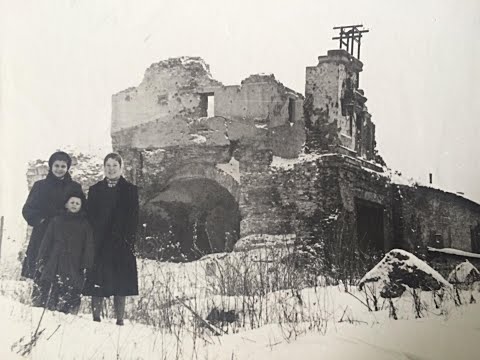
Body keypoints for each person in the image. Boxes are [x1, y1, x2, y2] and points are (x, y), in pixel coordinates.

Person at [83, 153, 139, 325]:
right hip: (99, 244)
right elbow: (89, 217)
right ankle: (96, 319)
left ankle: (120, 320)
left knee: (120, 282)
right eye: (108, 165)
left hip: (121, 244)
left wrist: (129, 241)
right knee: (97, 282)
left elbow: (134, 218)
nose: (111, 169)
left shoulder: (130, 190)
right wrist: (92, 241)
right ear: (104, 167)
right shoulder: (95, 190)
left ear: (120, 167)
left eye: (115, 165)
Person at [22, 151, 83, 291]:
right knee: (41, 273)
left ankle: (59, 309)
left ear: (68, 167)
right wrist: (41, 221)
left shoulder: (74, 187)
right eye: (56, 165)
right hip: (43, 235)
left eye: (63, 166)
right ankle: (38, 306)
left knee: (62, 275)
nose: (59, 169)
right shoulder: (40, 186)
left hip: (66, 236)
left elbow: (81, 210)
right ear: (51, 166)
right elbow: (28, 209)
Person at [34, 191, 94, 314]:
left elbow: (88, 246)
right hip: (55, 261)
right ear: (66, 204)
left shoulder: (85, 224)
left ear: (81, 206)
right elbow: (46, 242)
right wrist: (41, 260)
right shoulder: (56, 221)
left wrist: (86, 265)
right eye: (72, 202)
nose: (74, 205)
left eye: (77, 203)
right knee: (51, 288)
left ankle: (68, 313)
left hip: (74, 263)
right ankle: (48, 310)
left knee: (70, 289)